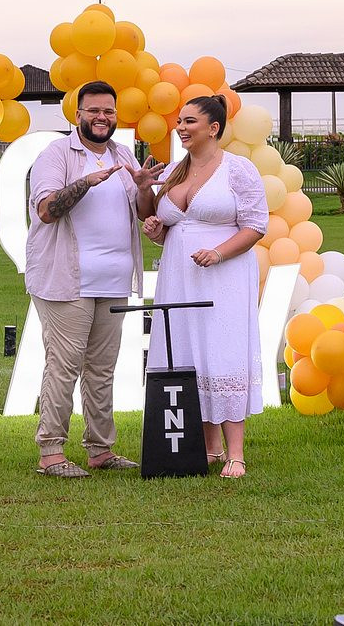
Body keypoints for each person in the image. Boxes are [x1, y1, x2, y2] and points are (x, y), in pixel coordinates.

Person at [26, 80, 165, 478]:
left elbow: (143, 213)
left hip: (114, 280)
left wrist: (143, 189)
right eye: (94, 111)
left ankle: (100, 450)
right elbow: (47, 210)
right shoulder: (57, 154)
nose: (102, 117)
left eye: (108, 111)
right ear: (78, 115)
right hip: (65, 280)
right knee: (63, 366)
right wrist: (86, 182)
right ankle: (51, 452)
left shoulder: (123, 154)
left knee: (102, 368)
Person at [143, 94, 267, 478]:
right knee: (187, 352)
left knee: (222, 352)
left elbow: (256, 225)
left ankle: (236, 454)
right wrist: (155, 227)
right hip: (178, 276)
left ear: (213, 128)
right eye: (179, 121)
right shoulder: (176, 170)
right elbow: (166, 226)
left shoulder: (238, 169)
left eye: (189, 121)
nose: (180, 128)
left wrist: (218, 253)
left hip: (223, 277)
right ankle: (209, 448)